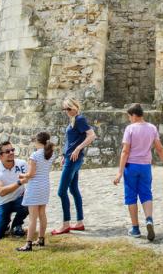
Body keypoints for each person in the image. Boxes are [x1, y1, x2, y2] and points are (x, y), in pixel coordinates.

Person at [112, 103, 163, 241]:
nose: (129, 119)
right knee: (146, 193)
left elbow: (125, 151)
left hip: (131, 166)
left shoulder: (130, 129)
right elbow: (159, 148)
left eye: (129, 117)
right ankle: (149, 219)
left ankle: (135, 228)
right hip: (145, 167)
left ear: (133, 115)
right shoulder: (152, 128)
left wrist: (119, 172)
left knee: (131, 196)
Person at [51, 97, 97, 235]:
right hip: (70, 158)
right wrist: (64, 155)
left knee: (61, 192)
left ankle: (66, 224)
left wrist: (78, 149)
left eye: (69, 108)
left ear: (75, 107)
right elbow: (70, 140)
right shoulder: (73, 120)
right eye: (65, 109)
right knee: (74, 190)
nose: (67, 111)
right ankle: (80, 222)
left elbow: (92, 135)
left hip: (73, 159)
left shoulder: (79, 119)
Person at [16, 132, 56, 251]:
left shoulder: (35, 155)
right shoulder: (50, 154)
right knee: (42, 214)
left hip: (34, 187)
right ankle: (41, 239)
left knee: (32, 217)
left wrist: (22, 175)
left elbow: (31, 174)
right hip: (45, 186)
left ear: (38, 142)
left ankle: (28, 244)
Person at [0, 141, 29, 240]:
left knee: (29, 202)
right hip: (3, 203)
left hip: (20, 199)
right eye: (7, 151)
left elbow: (32, 177)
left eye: (12, 150)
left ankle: (16, 225)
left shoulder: (22, 164)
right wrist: (20, 182)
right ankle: (5, 222)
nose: (11, 153)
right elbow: (1, 191)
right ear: (0, 156)